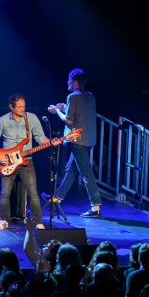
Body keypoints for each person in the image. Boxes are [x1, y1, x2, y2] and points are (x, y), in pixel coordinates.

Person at [0, 94, 60, 230]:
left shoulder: (31, 118)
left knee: (33, 192)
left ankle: (38, 221)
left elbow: (40, 137)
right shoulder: (3, 120)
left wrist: (51, 142)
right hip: (8, 162)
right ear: (11, 107)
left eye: (24, 106)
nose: (22, 109)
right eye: (19, 107)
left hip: (26, 160)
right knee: (5, 193)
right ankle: (4, 220)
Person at [47, 68, 102, 218]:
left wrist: (56, 111)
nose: (68, 82)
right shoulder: (90, 96)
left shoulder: (72, 97)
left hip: (77, 140)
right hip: (88, 139)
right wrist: (64, 108)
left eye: (69, 80)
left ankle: (95, 206)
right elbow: (81, 114)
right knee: (71, 169)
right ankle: (57, 198)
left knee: (86, 173)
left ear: (76, 82)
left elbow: (69, 120)